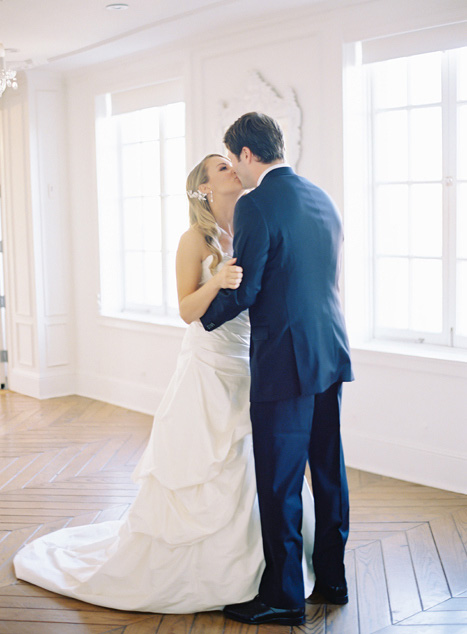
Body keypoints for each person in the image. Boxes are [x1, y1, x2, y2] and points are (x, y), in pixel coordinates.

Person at [13, 154, 316, 614]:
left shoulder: (253, 226)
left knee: (260, 464)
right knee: (208, 466)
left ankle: (266, 568)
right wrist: (216, 279)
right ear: (204, 188)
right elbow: (186, 309)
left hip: (252, 363)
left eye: (230, 163)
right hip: (209, 367)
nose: (231, 168)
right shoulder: (194, 239)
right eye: (220, 168)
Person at [200, 113, 354, 626]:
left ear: (246, 154)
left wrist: (205, 313)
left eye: (232, 159)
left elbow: (247, 289)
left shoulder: (256, 205)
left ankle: (285, 598)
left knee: (281, 482)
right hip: (329, 353)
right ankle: (332, 579)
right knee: (328, 472)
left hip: (284, 363)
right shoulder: (323, 199)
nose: (235, 174)